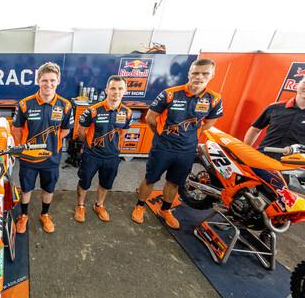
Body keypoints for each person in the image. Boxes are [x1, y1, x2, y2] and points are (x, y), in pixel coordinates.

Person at [132, 58, 223, 229]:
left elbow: (209, 123)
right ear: (189, 74)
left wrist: (190, 135)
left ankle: (165, 210)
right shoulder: (170, 94)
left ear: (212, 75)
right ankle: (140, 206)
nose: (199, 77)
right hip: (163, 147)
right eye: (195, 73)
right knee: (150, 178)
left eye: (205, 74)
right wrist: (161, 135)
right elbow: (150, 118)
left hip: (187, 150)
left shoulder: (214, 99)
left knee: (174, 182)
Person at [12, 62, 74, 234]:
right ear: (38, 81)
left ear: (58, 81)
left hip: (51, 158)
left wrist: (52, 143)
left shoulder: (65, 105)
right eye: (44, 80)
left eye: (52, 80)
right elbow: (16, 129)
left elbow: (66, 130)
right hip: (29, 159)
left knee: (48, 188)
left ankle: (45, 214)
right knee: (26, 189)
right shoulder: (25, 104)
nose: (49, 84)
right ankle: (23, 215)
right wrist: (23, 149)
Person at [74, 75, 132, 222]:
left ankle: (99, 205)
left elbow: (123, 133)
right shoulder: (93, 110)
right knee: (84, 182)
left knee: (106, 183)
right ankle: (80, 205)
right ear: (106, 90)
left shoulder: (127, 112)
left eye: (120, 89)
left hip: (112, 156)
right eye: (113, 88)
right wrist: (88, 145)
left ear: (125, 91)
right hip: (91, 155)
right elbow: (81, 132)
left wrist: (114, 147)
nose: (116, 92)